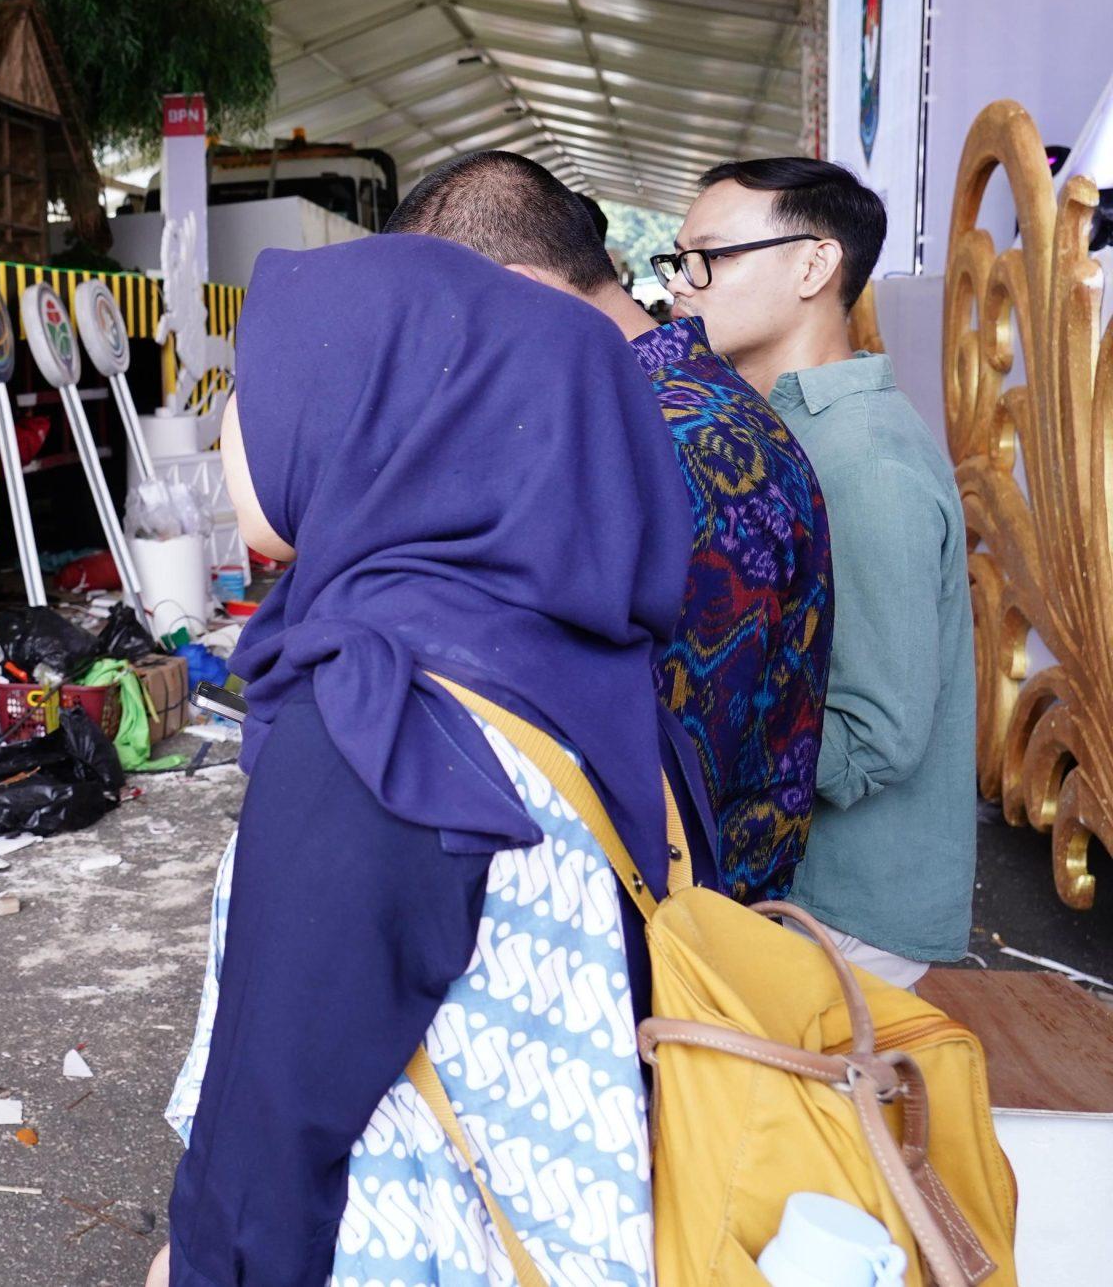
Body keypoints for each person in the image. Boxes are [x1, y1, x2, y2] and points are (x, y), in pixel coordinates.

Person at [154, 234, 691, 1287]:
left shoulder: (379, 716)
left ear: (371, 418)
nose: (231, 425)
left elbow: (270, 1132)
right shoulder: (578, 658)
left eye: (262, 387)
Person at [387, 151, 833, 902]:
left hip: (674, 924)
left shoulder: (669, 448)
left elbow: (651, 753)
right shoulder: (649, 411)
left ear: (522, 292)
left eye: (447, 323)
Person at [663, 158, 974, 988]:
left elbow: (878, 732)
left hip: (838, 908)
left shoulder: (864, 461)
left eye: (711, 257)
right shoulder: (774, 427)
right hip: (784, 878)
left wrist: (701, 738)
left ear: (813, 265)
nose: (682, 283)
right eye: (677, 259)